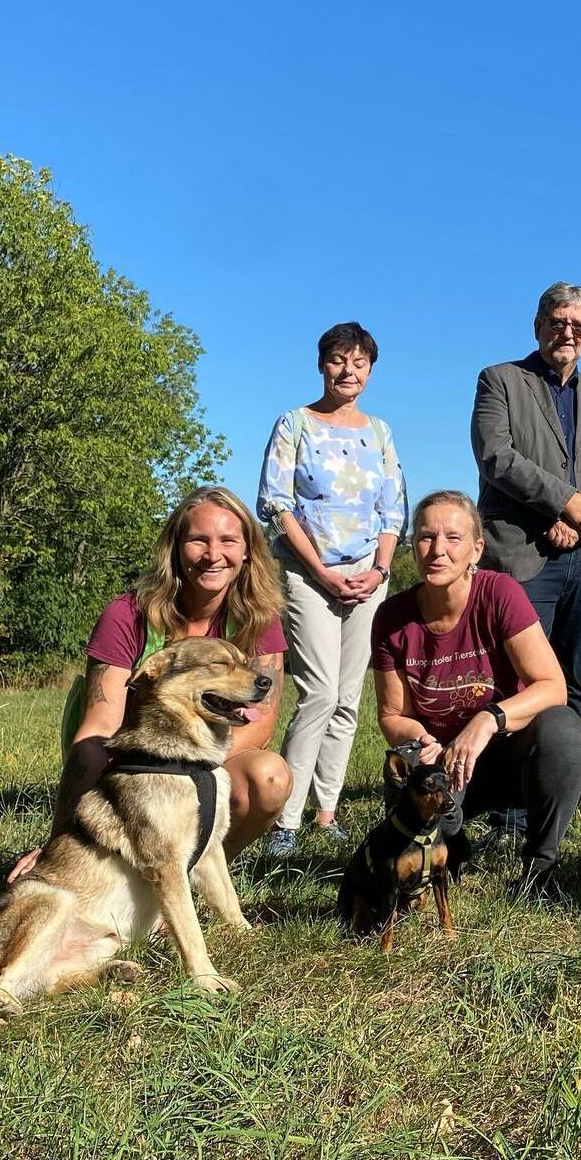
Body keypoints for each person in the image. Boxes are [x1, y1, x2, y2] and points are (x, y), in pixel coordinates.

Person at [12, 487, 292, 882]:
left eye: (228, 540)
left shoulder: (259, 618)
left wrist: (186, 768)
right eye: (198, 540)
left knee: (270, 777)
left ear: (248, 551)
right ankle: (123, 867)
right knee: (99, 760)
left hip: (209, 752)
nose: (214, 555)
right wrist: (57, 840)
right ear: (175, 548)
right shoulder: (126, 615)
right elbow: (99, 729)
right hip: (129, 758)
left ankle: (188, 875)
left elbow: (259, 725)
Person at [370, 489, 581, 901]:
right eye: (426, 537)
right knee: (407, 759)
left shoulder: (499, 593)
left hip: (509, 752)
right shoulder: (392, 617)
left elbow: (552, 686)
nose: (438, 550)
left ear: (476, 549)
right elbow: (391, 714)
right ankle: (443, 853)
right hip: (445, 762)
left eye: (453, 538)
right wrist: (426, 741)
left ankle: (542, 867)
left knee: (561, 727)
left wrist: (487, 719)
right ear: (412, 546)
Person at [255, 321, 407, 856]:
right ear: (322, 365)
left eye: (359, 362)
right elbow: (276, 504)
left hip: (368, 575)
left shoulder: (380, 432)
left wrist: (380, 570)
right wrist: (320, 571)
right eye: (339, 360)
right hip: (308, 574)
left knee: (347, 698)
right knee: (317, 693)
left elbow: (393, 509)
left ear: (370, 369)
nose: (349, 371)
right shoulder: (295, 424)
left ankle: (327, 812)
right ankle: (284, 820)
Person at [472, 283, 581, 713]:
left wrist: (580, 517)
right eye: (558, 323)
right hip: (521, 556)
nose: (568, 333)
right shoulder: (501, 380)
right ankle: (507, 778)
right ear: (538, 327)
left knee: (570, 684)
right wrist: (567, 501)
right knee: (514, 682)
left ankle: (567, 777)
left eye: (579, 326)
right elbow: (497, 458)